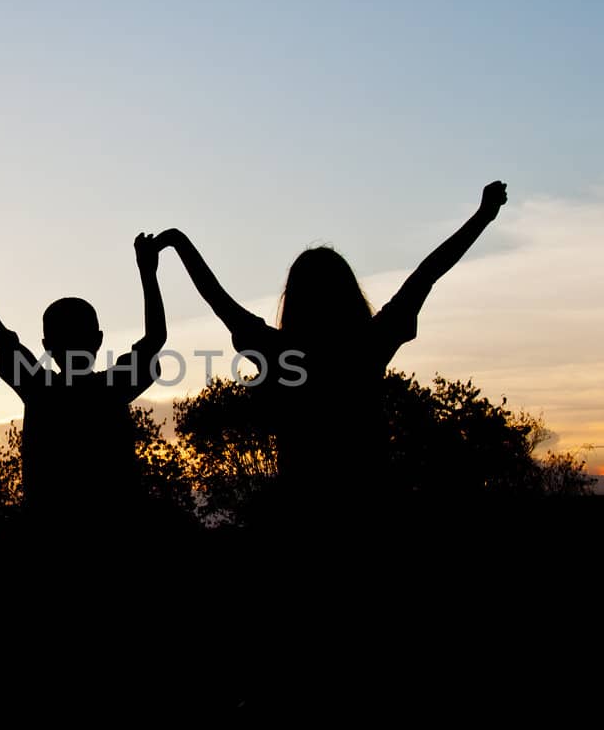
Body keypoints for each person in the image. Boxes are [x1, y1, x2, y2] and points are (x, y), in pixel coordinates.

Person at [157, 182, 509, 496]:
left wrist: (177, 242)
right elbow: (427, 273)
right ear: (349, 294)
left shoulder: (282, 354)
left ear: (293, 300)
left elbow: (218, 300)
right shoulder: (368, 345)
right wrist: (483, 216)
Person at [0, 234, 167, 533]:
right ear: (98, 340)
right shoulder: (112, 388)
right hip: (117, 525)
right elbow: (155, 338)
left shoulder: (40, 390)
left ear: (47, 346)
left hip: (50, 529)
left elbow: (0, 335)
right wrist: (147, 272)